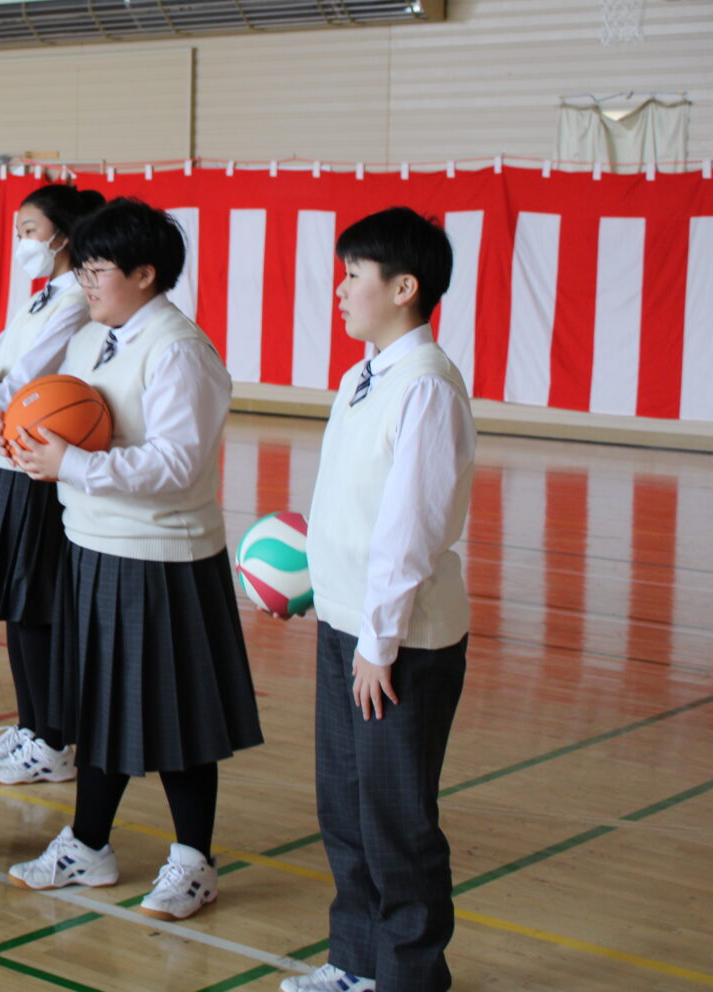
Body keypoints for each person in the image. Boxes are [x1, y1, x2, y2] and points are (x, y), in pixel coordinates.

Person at [7, 197, 262, 921]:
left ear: (146, 274)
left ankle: (195, 862)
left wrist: (74, 465)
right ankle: (88, 843)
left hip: (161, 558)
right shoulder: (96, 338)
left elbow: (179, 463)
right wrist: (39, 455)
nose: (85, 284)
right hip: (94, 547)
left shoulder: (180, 349)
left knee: (174, 715)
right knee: (99, 708)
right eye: (81, 269)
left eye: (98, 270)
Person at [280, 207, 474, 992]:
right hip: (348, 625)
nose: (340, 290)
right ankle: (356, 964)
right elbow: (350, 508)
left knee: (396, 822)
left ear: (403, 287)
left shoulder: (425, 386)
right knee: (348, 811)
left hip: (397, 646)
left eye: (354, 276)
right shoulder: (364, 377)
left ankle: (409, 977)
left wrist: (379, 643)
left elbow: (410, 529)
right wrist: (310, 587)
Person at [0, 183, 102, 785]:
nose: (21, 240)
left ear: (62, 238)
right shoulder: (42, 296)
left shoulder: (74, 301)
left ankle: (54, 739)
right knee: (17, 610)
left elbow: (19, 383)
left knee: (35, 606)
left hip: (29, 468)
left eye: (29, 229)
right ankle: (32, 726)